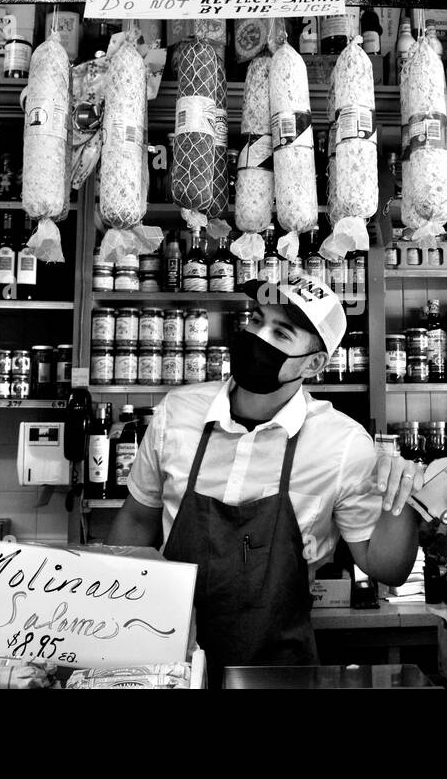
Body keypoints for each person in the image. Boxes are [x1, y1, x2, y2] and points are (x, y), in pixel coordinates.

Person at [107, 274, 423, 684]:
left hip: (278, 672)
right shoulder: (177, 413)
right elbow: (136, 520)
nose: (258, 336)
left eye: (281, 332)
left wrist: (401, 498)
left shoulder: (342, 445)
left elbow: (387, 568)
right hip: (166, 665)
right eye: (256, 320)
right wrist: (109, 611)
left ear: (314, 364)